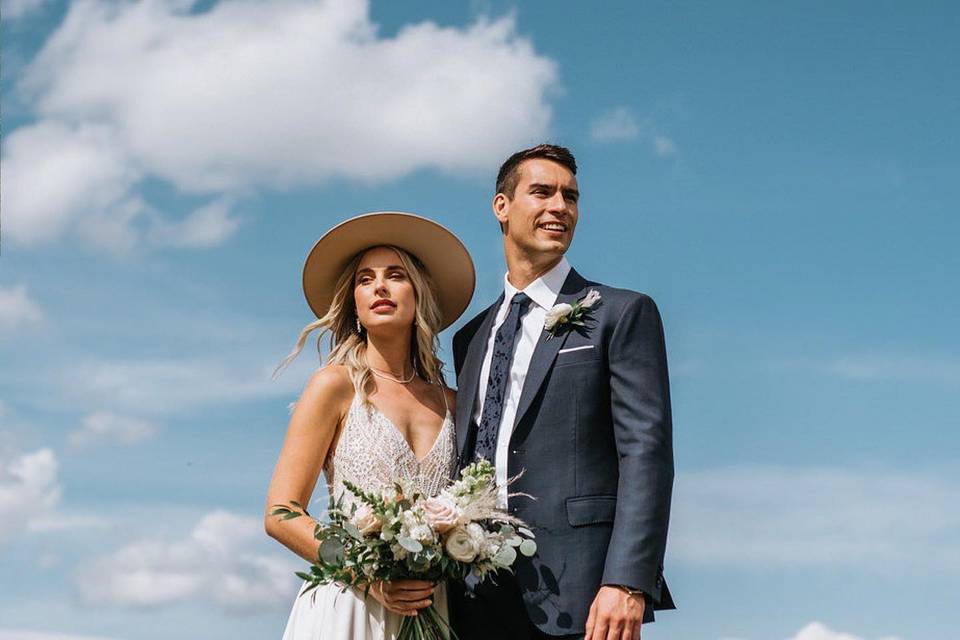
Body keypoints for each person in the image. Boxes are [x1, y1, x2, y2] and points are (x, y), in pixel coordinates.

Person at [449, 145, 676, 640]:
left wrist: (628, 581)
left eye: (570, 197)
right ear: (501, 207)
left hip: (584, 594)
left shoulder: (620, 313)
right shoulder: (468, 338)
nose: (560, 207)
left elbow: (646, 453)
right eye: (543, 192)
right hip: (472, 593)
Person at [265, 212, 475, 640]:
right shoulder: (334, 387)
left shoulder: (453, 403)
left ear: (418, 295)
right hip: (349, 607)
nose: (379, 286)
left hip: (432, 610)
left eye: (395, 275)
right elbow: (280, 513)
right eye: (365, 279)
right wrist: (368, 577)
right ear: (355, 305)